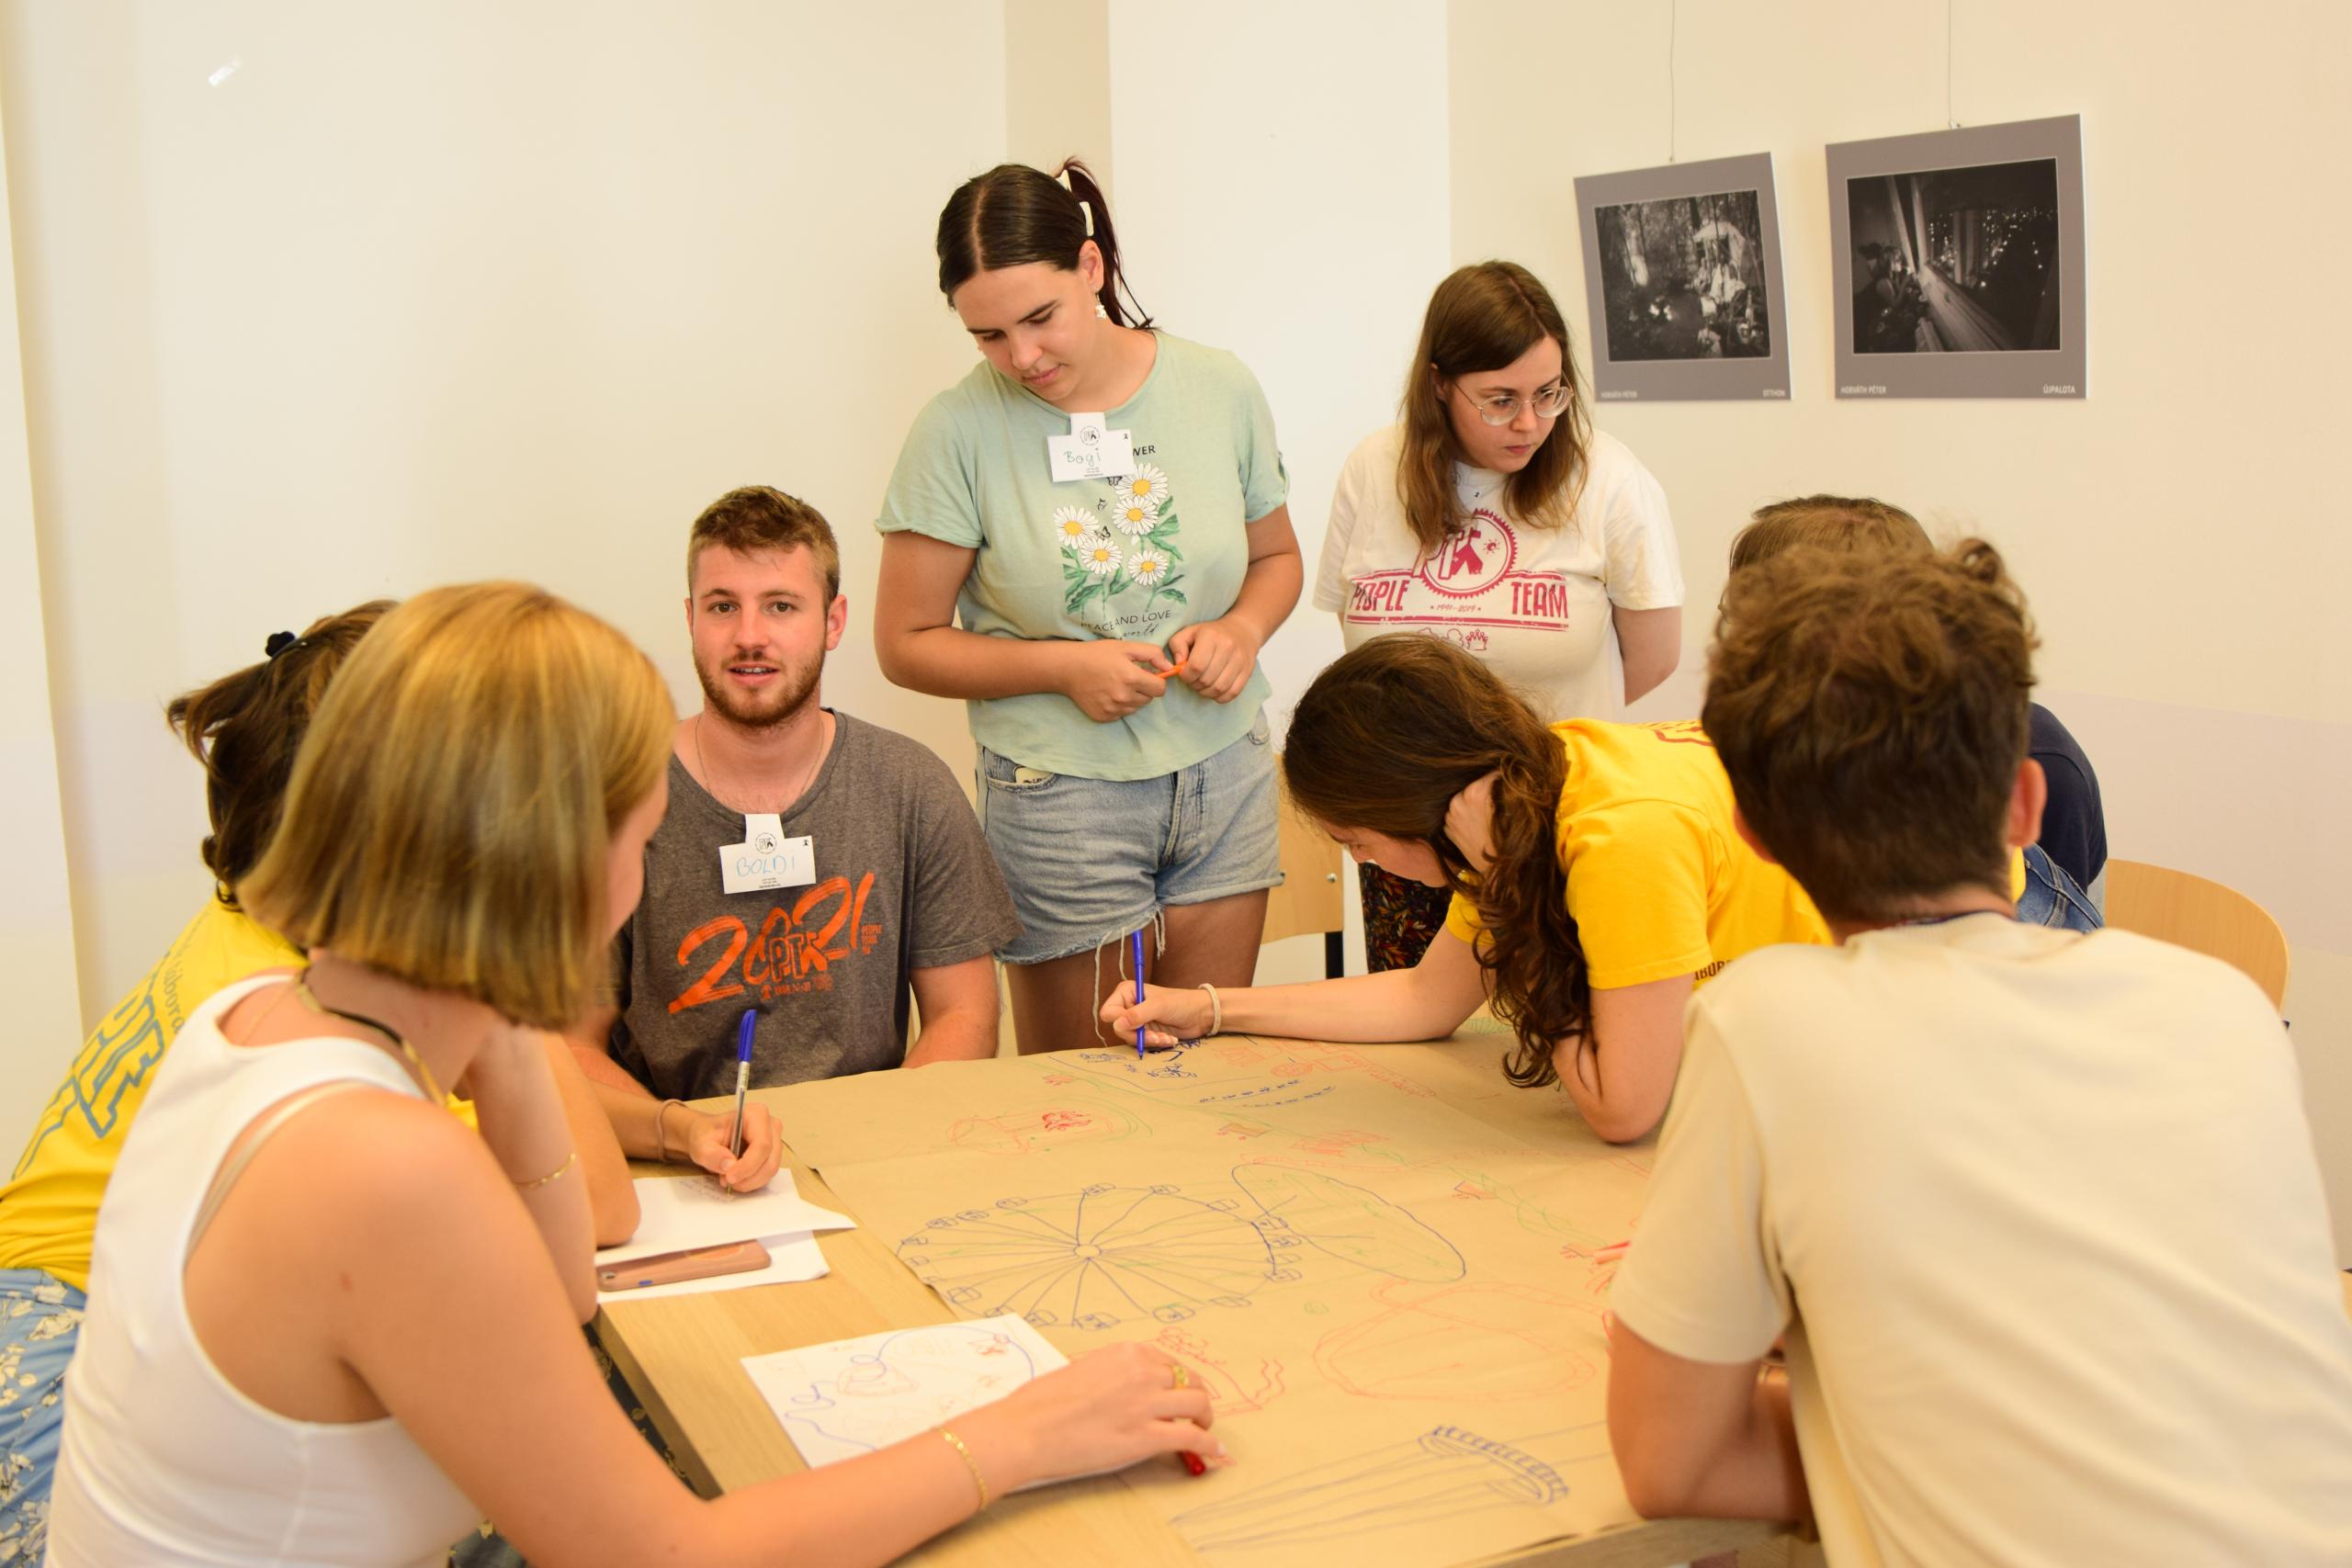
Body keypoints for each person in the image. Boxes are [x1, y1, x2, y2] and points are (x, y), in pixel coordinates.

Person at [45, 583, 1219, 1566]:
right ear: (560, 854)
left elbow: (562, 1291)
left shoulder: (259, 1015)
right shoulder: (386, 1166)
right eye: (643, 829)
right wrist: (1019, 1437)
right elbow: (665, 1555)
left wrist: (508, 1018)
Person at [1606, 541, 2352, 1563]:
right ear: (2027, 806)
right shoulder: (2226, 1006)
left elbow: (1669, 1463)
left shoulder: (1764, 1020)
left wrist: (1884, 1406)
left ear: (1750, 831)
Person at [0, 603, 641, 1562]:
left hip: (70, 1333)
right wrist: (509, 949)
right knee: (566, 1457)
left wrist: (655, 1119)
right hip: (53, 1381)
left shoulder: (259, 948)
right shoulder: (335, 1040)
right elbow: (595, 1209)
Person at [874, 159, 1300, 1054]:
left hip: (1223, 769)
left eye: (1040, 318)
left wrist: (1242, 627)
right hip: (1058, 795)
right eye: (989, 336)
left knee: (1212, 1074)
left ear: (1092, 268)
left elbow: (1276, 558)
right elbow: (905, 642)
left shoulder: (1219, 387)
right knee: (1092, 1093)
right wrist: (1064, 668)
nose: (1023, 358)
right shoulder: (954, 431)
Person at [1104, 635, 1827, 1143]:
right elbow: (1425, 998)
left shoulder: (1617, 838)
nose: (1361, 863)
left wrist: (1512, 887)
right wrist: (1210, 1007)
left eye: (1357, 841)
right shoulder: (1525, 787)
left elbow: (1623, 1109)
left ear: (1415, 808)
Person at [572, 487, 1019, 1116]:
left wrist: (872, 1136)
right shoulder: (614, 798)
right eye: (723, 606)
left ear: (833, 622)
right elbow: (571, 1045)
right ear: (691, 618)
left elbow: (965, 1016)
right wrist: (681, 1136)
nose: (749, 636)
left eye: (780, 606)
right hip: (671, 1150)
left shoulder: (910, 786)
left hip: (871, 1141)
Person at [1314, 260, 1682, 972]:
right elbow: (1367, 653)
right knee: (1415, 1028)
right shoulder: (1372, 469)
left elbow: (1653, 657)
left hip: (1554, 824)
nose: (1530, 422)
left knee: (1552, 1021)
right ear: (1439, 384)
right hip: (1407, 831)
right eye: (1499, 400)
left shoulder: (1608, 479)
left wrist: (1513, 751)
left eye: (1549, 394)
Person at [1728, 494, 2105, 929]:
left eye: (1745, 620)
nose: (1735, 641)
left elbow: (2049, 945)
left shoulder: (2036, 756)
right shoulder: (1772, 745)